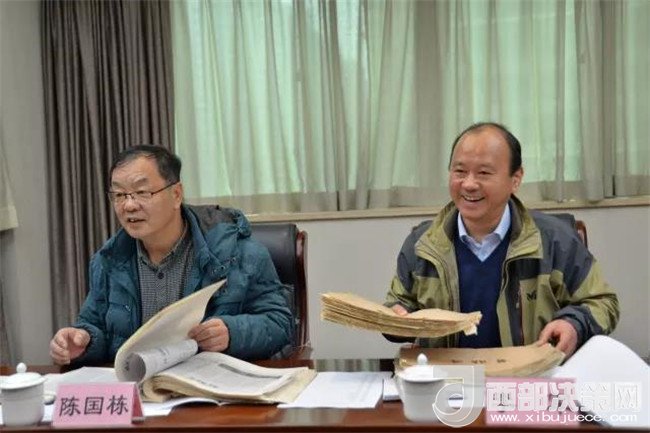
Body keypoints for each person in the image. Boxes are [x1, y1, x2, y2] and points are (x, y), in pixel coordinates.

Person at [385, 122, 619, 357]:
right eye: (460, 171)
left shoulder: (555, 241)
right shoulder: (423, 243)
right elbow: (399, 305)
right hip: (448, 377)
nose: (469, 184)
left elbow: (603, 302)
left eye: (484, 173)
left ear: (515, 179)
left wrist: (573, 324)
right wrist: (396, 318)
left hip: (529, 375)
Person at [49, 145, 293, 365]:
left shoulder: (238, 252)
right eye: (119, 195)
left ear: (176, 194)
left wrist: (232, 333)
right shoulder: (108, 261)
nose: (129, 205)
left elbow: (280, 324)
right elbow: (95, 326)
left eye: (142, 192)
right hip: (140, 388)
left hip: (210, 388)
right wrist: (83, 340)